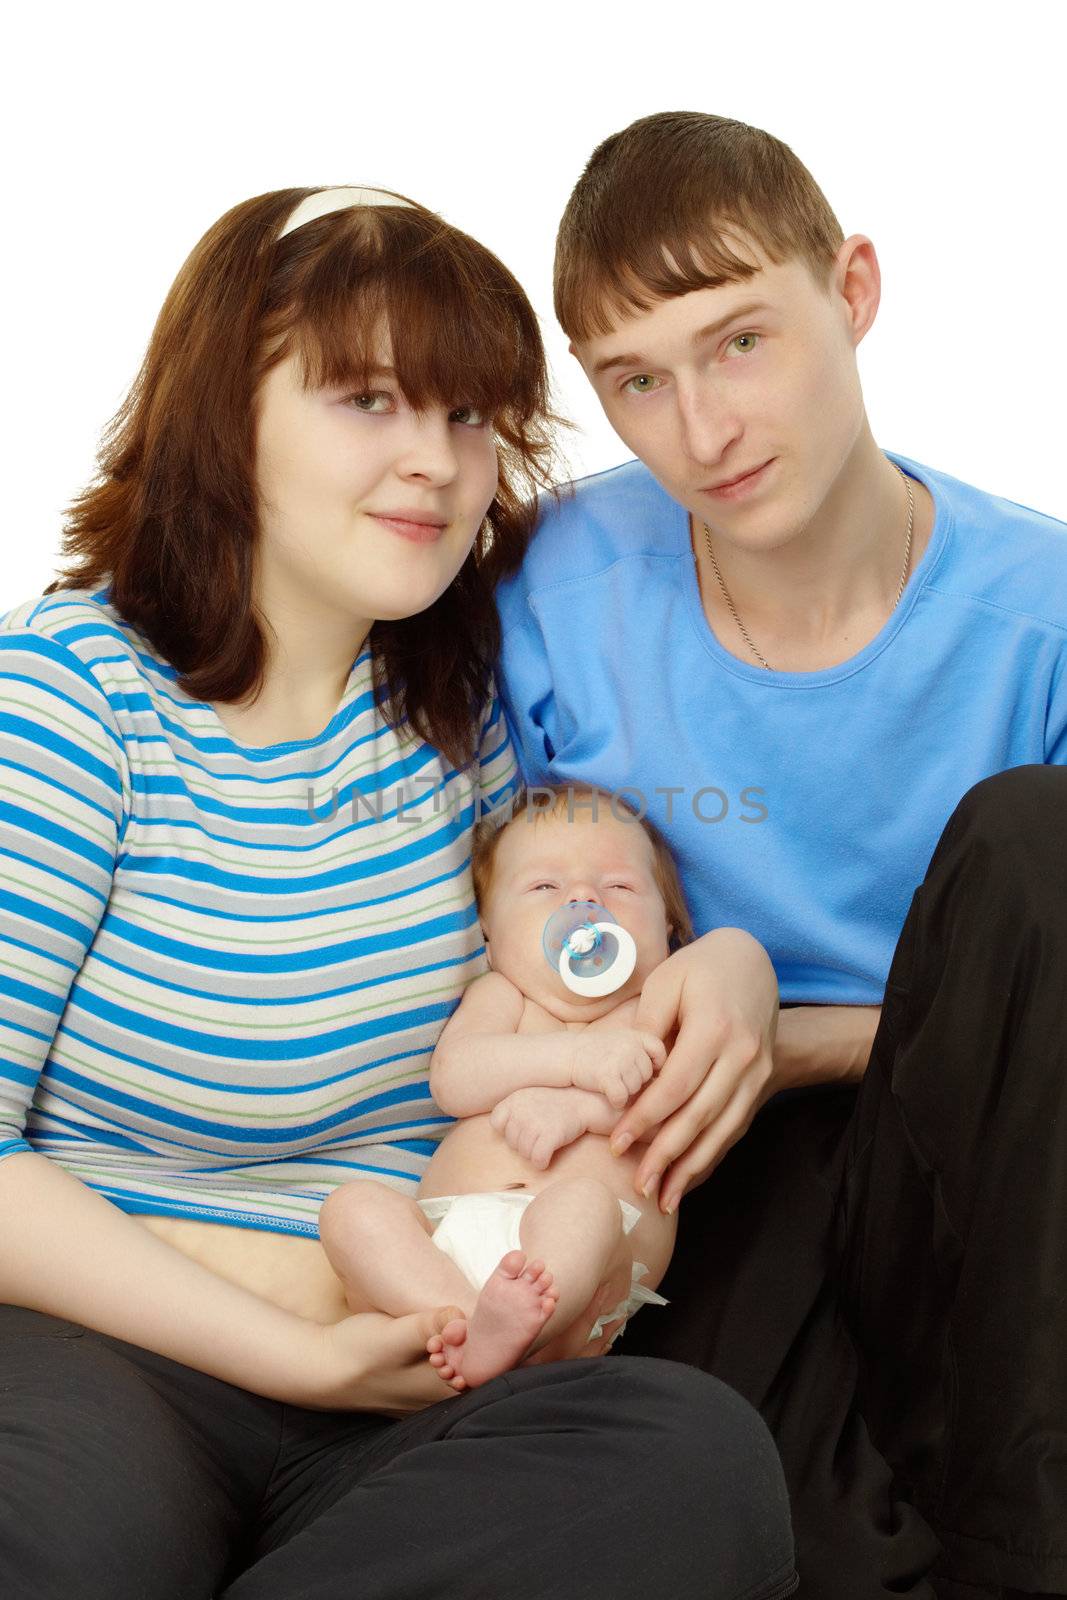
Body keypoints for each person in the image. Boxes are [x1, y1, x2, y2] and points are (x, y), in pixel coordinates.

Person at [0, 182, 800, 1600]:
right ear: (218, 412)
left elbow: (567, 969)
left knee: (686, 1461)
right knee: (60, 1545)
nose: (434, 461)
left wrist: (726, 960)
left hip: (418, 1356)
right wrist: (299, 1349)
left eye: (468, 415)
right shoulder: (69, 705)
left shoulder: (465, 721)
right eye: (366, 400)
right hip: (117, 1354)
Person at [494, 113, 1067, 1600]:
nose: (702, 430)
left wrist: (777, 1028)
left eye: (738, 340)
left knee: (1032, 837)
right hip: (684, 1156)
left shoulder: (1040, 613)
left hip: (983, 1151)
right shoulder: (553, 589)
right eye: (636, 381)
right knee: (752, 1527)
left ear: (853, 289)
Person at [317, 784, 691, 1388]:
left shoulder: (659, 1009)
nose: (584, 899)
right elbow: (455, 1080)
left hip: (589, 1257)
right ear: (488, 930)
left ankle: (517, 1332)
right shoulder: (502, 997)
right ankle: (467, 1325)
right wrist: (575, 1058)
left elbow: (677, 1108)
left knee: (583, 1205)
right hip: (446, 1245)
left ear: (669, 925)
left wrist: (577, 1109)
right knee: (350, 1210)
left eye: (619, 886)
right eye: (545, 888)